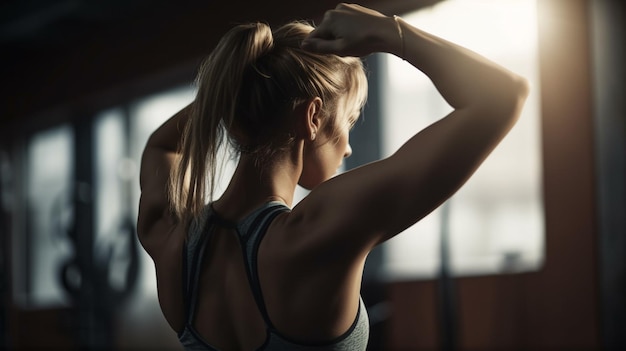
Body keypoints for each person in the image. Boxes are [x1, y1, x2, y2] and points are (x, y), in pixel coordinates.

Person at [137, 3, 529, 350]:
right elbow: (503, 95)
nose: (348, 148)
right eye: (349, 122)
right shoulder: (317, 230)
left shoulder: (170, 237)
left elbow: (161, 147)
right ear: (311, 117)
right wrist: (391, 34)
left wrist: (232, 89)